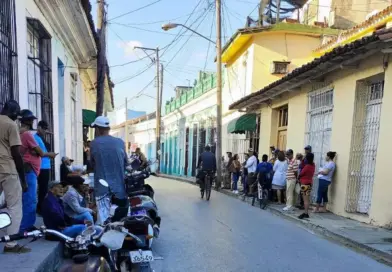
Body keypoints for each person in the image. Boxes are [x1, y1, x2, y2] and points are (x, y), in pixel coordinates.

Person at [19, 109, 57, 233]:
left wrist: (35, 152)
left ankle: (27, 225)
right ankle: (26, 227)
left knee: (29, 199)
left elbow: (35, 151)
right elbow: (40, 152)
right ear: (29, 121)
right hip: (29, 170)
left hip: (28, 169)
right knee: (30, 199)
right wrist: (49, 154)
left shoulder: (20, 133)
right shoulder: (27, 135)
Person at [0, 100, 30, 253]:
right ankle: (11, 244)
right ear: (13, 111)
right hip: (7, 169)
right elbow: (16, 153)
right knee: (14, 207)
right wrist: (23, 180)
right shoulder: (11, 125)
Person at [90, 116, 127, 225]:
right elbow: (126, 163)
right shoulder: (120, 142)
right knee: (119, 220)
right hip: (119, 189)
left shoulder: (94, 143)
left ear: (97, 129)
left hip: (102, 190)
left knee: (104, 221)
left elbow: (92, 164)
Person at [34, 120, 52, 214]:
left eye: (45, 129)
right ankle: (40, 208)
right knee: (42, 189)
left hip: (46, 165)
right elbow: (39, 152)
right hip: (41, 166)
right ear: (39, 127)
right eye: (43, 128)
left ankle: (41, 207)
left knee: (44, 189)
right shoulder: (35, 138)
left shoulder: (42, 138)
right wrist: (50, 154)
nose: (45, 131)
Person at [298, 152, 316, 219]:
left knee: (305, 199)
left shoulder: (307, 166)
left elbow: (301, 173)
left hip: (304, 183)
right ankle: (306, 212)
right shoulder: (313, 165)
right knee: (307, 198)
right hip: (309, 182)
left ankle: (305, 213)